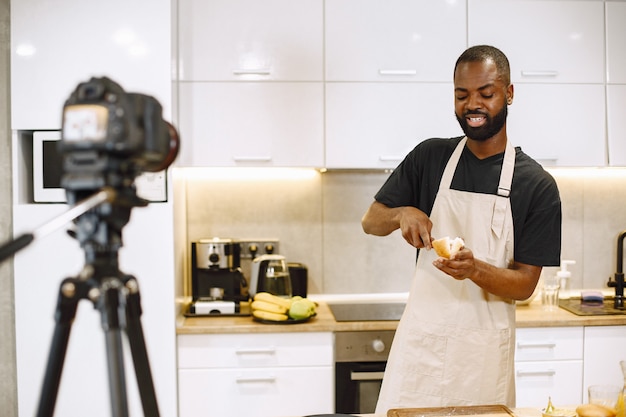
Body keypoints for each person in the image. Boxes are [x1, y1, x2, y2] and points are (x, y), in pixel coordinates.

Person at [362, 45, 562, 412]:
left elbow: (525, 285)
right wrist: (401, 213)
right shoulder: (430, 157)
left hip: (482, 357)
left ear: (509, 93)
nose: (473, 104)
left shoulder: (536, 185)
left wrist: (473, 269)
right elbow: (370, 221)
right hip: (421, 348)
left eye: (486, 93)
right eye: (462, 95)